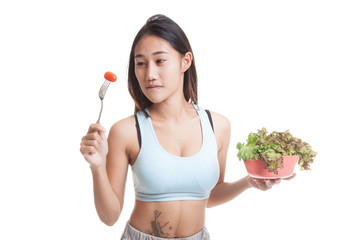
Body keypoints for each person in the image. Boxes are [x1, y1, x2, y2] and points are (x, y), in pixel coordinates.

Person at [80, 14, 295, 240]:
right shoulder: (126, 131)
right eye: (140, 63)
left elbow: (209, 195)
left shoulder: (218, 126)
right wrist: (97, 166)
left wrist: (248, 182)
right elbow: (109, 216)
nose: (149, 74)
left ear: (186, 61)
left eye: (160, 61)